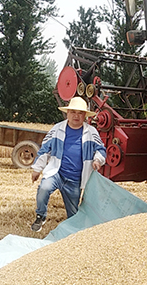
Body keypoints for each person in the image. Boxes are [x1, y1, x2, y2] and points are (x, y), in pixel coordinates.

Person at [30, 97, 107, 232]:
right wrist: (37, 169)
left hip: (75, 180)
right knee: (44, 188)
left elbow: (101, 149)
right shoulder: (57, 129)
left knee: (73, 214)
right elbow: (45, 149)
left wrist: (97, 160)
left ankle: (73, 234)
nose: (76, 116)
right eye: (73, 112)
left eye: (80, 113)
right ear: (67, 113)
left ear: (85, 115)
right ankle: (40, 216)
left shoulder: (91, 132)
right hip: (57, 173)